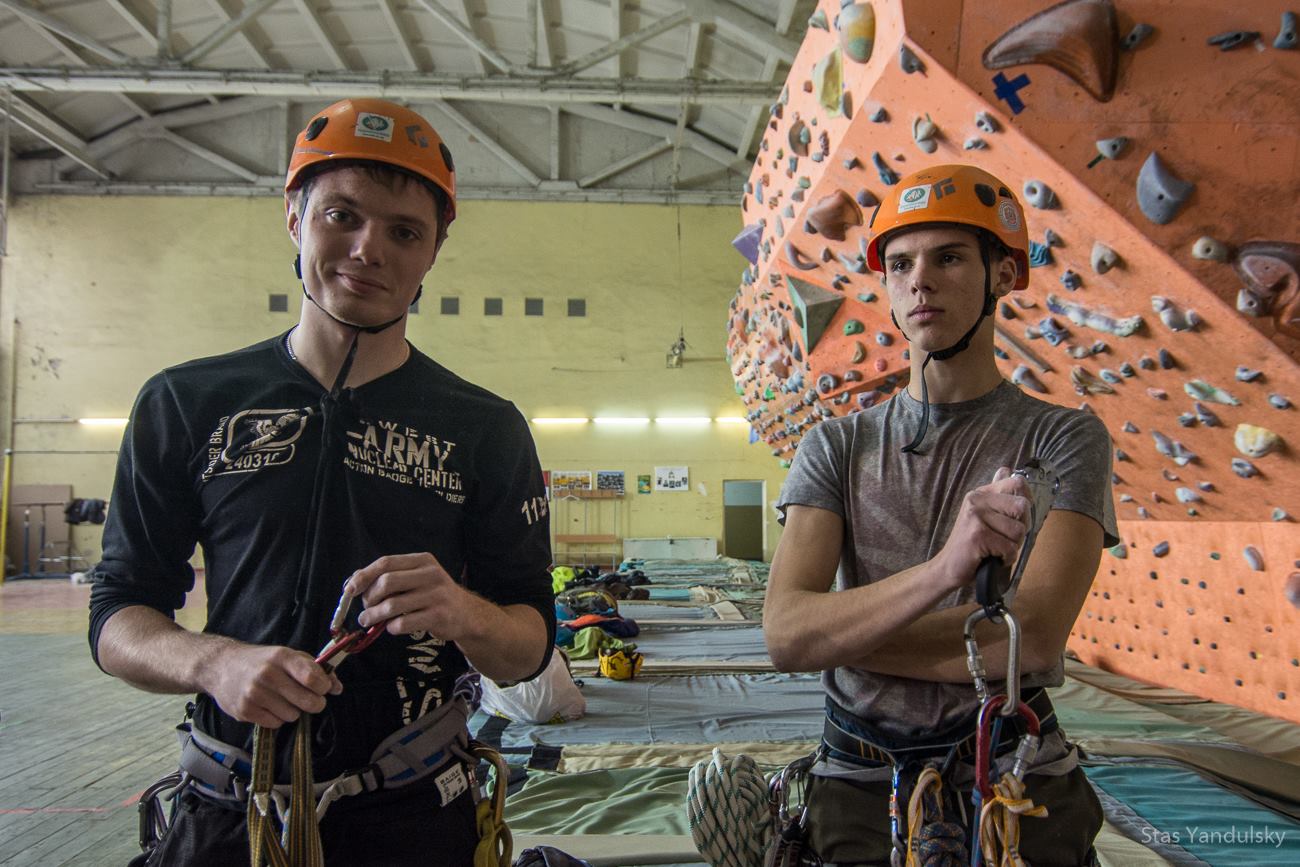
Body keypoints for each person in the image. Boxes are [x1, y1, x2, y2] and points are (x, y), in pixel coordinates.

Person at [88, 98, 556, 866]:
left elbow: (528, 647)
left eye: (404, 231)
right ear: (295, 216)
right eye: (343, 215)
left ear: (433, 251)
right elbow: (116, 614)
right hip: (230, 816)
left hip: (413, 818)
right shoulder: (187, 402)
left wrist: (462, 611)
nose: (369, 249)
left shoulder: (484, 428)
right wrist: (215, 662)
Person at [763, 164, 1118, 865]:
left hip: (1012, 777)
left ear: (1004, 275)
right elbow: (786, 636)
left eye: (949, 257)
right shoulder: (836, 443)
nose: (919, 280)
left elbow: (1034, 644)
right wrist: (943, 572)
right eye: (900, 263)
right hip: (860, 782)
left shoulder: (1063, 439)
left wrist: (842, 632)